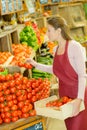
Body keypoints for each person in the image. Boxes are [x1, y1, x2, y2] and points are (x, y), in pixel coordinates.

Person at [26, 16, 87, 130]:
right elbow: (55, 69)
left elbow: (82, 75)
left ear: (59, 31)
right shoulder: (55, 49)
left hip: (77, 94)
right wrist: (35, 64)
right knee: (70, 127)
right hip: (63, 97)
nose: (47, 33)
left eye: (49, 30)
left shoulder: (74, 47)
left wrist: (79, 100)